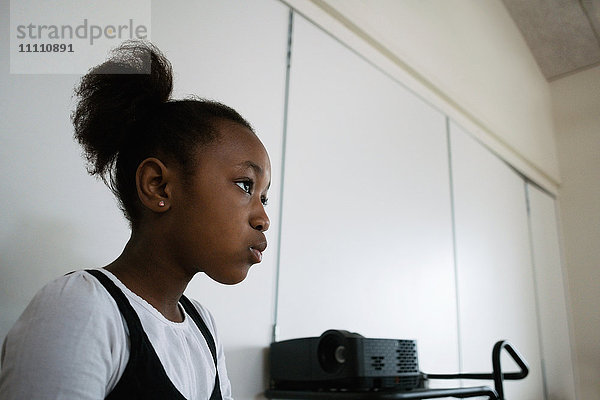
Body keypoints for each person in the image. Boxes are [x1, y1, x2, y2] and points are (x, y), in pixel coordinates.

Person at [0, 41, 270, 400]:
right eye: (244, 185)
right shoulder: (81, 307)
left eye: (264, 197)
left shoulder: (202, 328)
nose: (263, 218)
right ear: (158, 185)